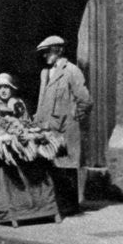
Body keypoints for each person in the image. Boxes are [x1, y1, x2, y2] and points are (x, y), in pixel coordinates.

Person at [34, 34, 92, 215]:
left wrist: (74, 117)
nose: (45, 56)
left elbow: (85, 100)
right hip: (48, 128)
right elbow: (42, 101)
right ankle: (54, 206)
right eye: (44, 53)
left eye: (48, 52)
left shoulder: (72, 71)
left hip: (66, 128)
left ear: (57, 50)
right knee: (51, 166)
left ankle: (70, 207)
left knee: (67, 166)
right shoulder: (45, 73)